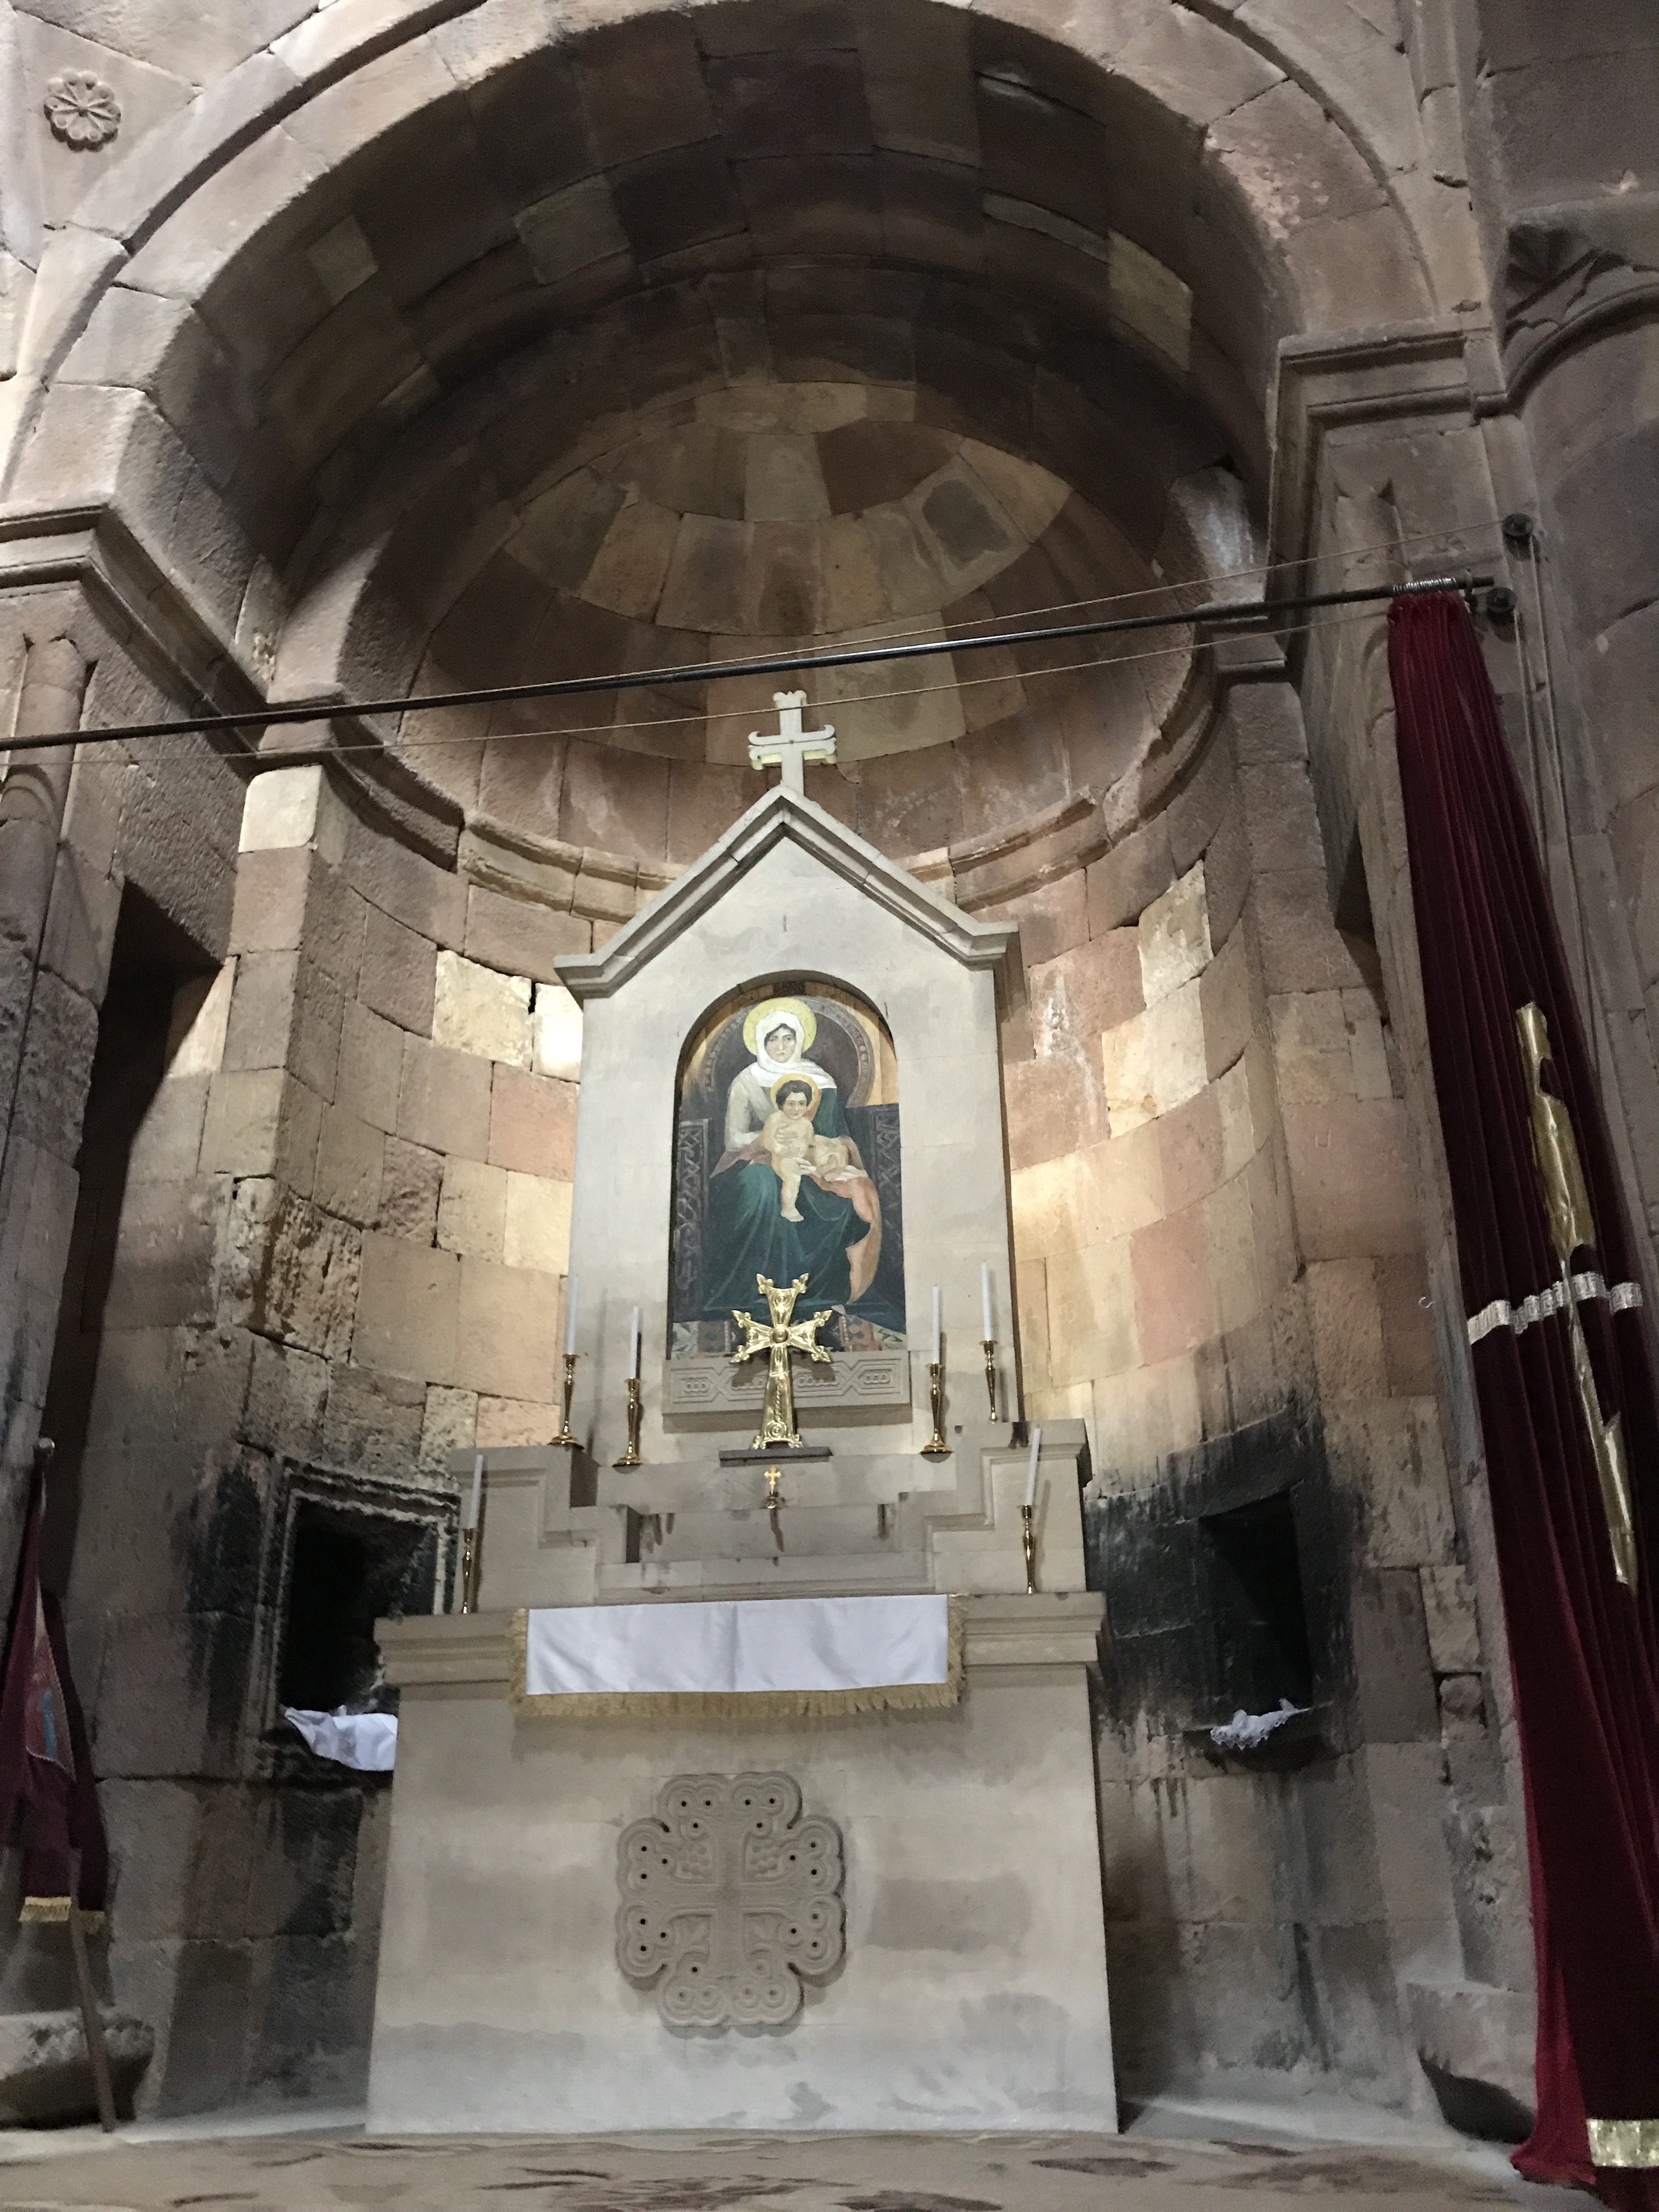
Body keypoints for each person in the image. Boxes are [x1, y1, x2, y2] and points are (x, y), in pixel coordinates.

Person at [702, 998, 883, 1322]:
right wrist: (769, 1143)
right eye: (773, 1039)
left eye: (788, 1038)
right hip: (754, 1158)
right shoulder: (747, 1081)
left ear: (799, 1040)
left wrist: (826, 1156)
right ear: (761, 1043)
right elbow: (734, 1138)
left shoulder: (820, 1080)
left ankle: (821, 1293)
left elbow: (832, 1135)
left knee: (855, 1193)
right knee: (760, 1185)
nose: (781, 1046)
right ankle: (750, 1292)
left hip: (813, 1160)